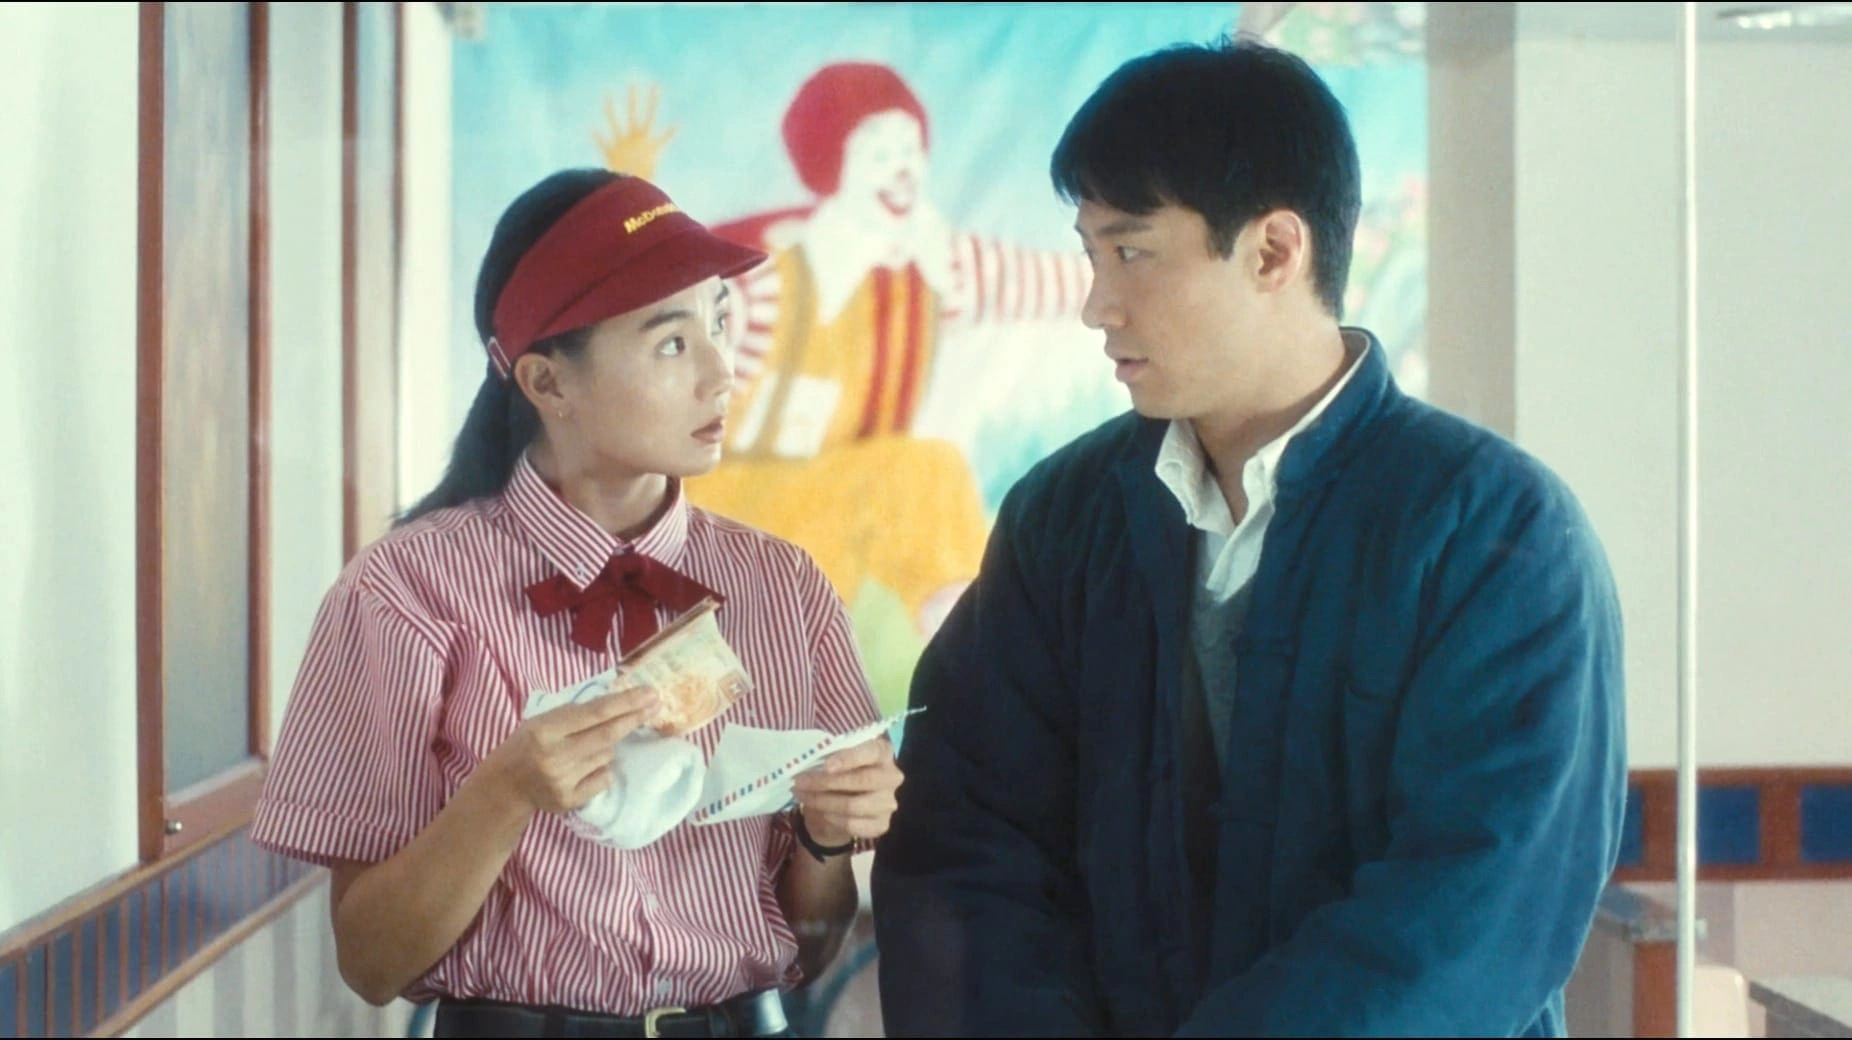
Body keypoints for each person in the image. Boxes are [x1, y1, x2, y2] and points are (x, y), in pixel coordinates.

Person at [870, 35, 1626, 1038]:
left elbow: (1472, 913)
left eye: (1132, 251)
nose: (1096, 304)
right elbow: (965, 842)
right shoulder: (1062, 519)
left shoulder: (1494, 532)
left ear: (1273, 251)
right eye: (1090, 253)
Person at [250, 168, 903, 1039]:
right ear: (547, 384)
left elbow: (810, 947)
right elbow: (370, 965)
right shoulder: (404, 592)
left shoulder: (784, 591)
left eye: (719, 323)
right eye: (671, 344)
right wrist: (506, 792)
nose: (721, 373)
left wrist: (827, 834)